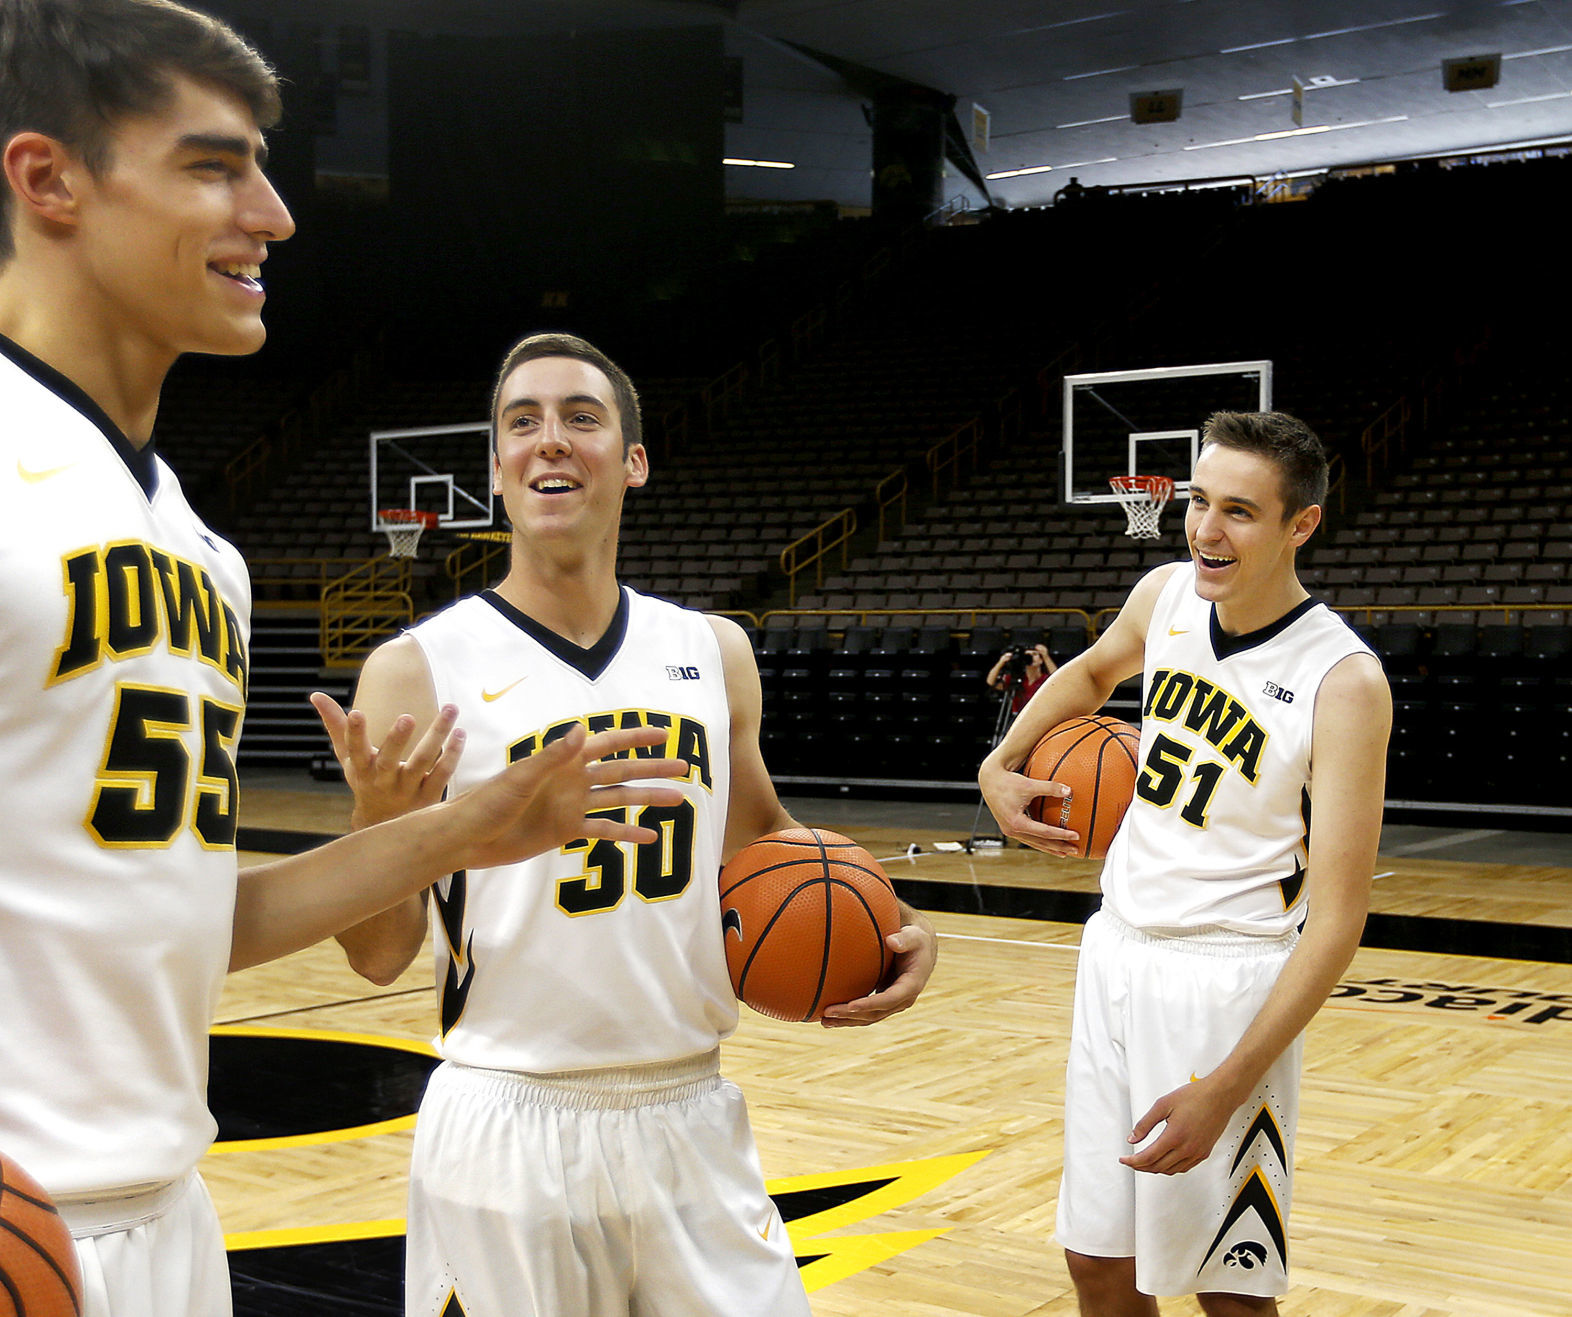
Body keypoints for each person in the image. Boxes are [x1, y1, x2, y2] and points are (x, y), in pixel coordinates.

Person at [0, 5, 686, 1314]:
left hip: (167, 1210)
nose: (276, 211)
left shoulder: (202, 551)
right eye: (215, 165)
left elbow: (192, 929)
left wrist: (463, 826)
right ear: (51, 182)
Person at [317, 331, 939, 1317]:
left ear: (634, 460)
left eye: (582, 418)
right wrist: (376, 821)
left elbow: (771, 846)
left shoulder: (713, 652)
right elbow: (379, 956)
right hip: (506, 1122)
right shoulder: (416, 669)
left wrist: (890, 928)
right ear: (494, 468)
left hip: (690, 1114)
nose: (550, 440)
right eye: (522, 422)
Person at [979, 412, 1390, 1316]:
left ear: (1300, 526)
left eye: (1239, 511)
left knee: (1228, 1293)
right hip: (1116, 954)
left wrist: (1224, 1089)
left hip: (1228, 985)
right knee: (1097, 1260)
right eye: (1199, 500)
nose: (1205, 529)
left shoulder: (1343, 679)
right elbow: (1089, 675)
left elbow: (1338, 920)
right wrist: (1000, 762)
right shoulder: (1165, 594)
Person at [985, 640, 1056, 714]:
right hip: (1018, 717)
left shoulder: (1047, 680)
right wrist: (1001, 662)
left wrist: (1046, 656)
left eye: (1034, 654)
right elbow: (991, 682)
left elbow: (1057, 679)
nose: (1030, 657)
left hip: (1040, 715)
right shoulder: (1016, 679)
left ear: (1041, 660)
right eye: (1027, 655)